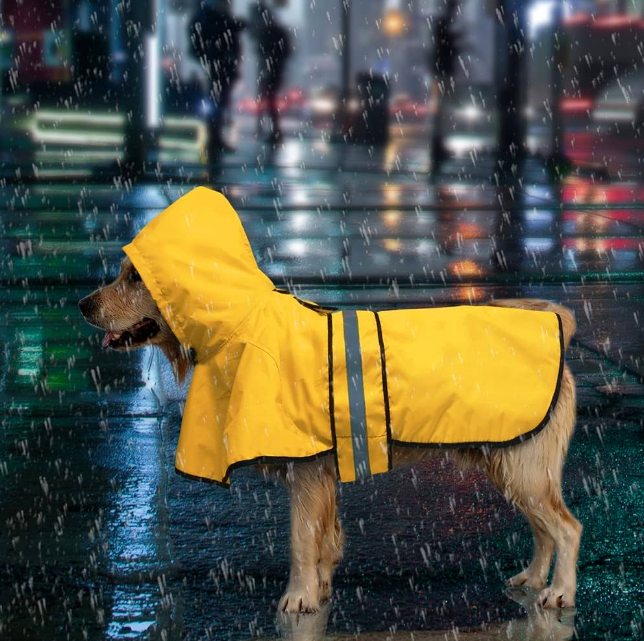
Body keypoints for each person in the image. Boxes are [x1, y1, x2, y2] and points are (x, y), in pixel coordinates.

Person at [190, 0, 245, 153]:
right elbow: (230, 32)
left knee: (218, 101)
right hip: (219, 66)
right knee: (218, 102)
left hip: (219, 65)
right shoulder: (213, 18)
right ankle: (214, 138)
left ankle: (214, 137)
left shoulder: (208, 17)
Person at [250, 0, 291, 144]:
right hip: (272, 70)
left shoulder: (269, 33)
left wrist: (268, 65)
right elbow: (285, 51)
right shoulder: (274, 32)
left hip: (271, 71)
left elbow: (267, 52)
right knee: (269, 100)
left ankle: (273, 131)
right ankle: (272, 131)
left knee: (269, 100)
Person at [427, 0, 461, 164]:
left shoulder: (441, 24)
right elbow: (445, 46)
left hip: (442, 70)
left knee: (442, 110)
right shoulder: (444, 24)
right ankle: (438, 146)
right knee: (443, 110)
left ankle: (438, 145)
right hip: (444, 71)